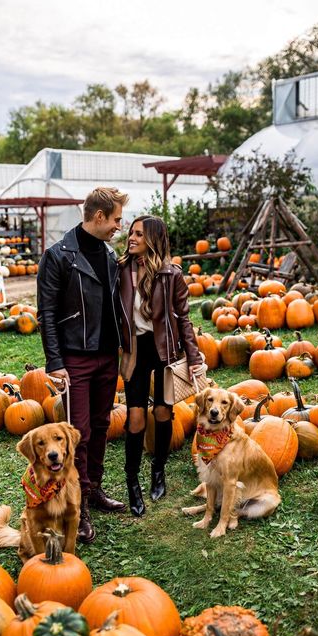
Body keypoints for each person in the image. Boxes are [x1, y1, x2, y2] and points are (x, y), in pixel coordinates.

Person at [37, 187, 129, 544]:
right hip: (75, 357)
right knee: (79, 432)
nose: (119, 226)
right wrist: (55, 361)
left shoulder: (109, 254)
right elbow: (46, 312)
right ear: (99, 216)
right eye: (117, 219)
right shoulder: (58, 256)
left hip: (108, 354)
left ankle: (94, 491)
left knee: (103, 426)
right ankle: (78, 504)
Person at [119, 215, 204, 516]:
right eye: (130, 233)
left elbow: (184, 318)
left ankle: (158, 470)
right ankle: (132, 481)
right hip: (135, 351)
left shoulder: (171, 275)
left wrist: (193, 358)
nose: (131, 238)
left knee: (164, 412)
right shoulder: (120, 271)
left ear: (153, 239)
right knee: (136, 418)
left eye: (139, 234)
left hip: (165, 350)